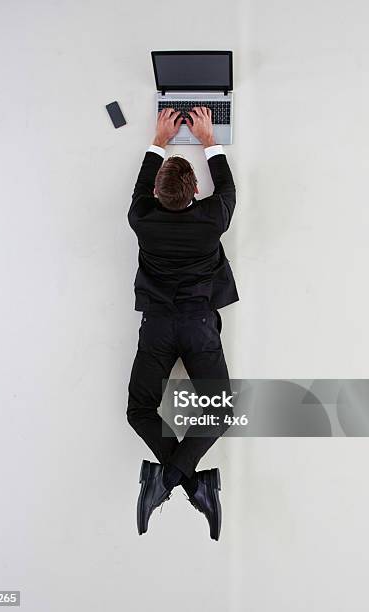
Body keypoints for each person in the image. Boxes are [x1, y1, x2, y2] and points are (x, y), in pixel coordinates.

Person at [126, 106, 238, 541]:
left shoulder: (142, 220)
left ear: (156, 193)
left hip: (157, 325)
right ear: (195, 191)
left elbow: (139, 188)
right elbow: (228, 188)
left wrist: (159, 137)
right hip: (197, 325)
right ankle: (187, 481)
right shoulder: (213, 220)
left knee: (140, 411)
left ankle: (177, 481)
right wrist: (208, 139)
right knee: (221, 410)